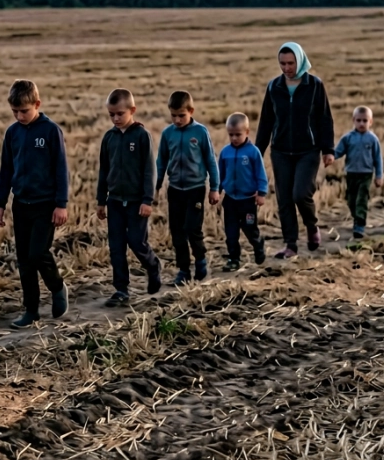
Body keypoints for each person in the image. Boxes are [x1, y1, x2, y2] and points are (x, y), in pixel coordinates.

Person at [0, 80, 70, 328]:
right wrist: (0, 202)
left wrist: (61, 204)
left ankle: (57, 287)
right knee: (24, 260)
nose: (19, 116)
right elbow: (6, 169)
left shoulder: (51, 131)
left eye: (24, 111)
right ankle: (31, 310)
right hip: (21, 205)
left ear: (37, 104)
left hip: (45, 205)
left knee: (38, 253)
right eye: (14, 111)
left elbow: (61, 170)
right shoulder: (12, 133)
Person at [256, 42, 335, 260]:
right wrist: (257, 152)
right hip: (280, 151)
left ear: (300, 61)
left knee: (300, 194)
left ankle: (311, 225)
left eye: (291, 63)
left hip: (308, 150)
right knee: (284, 199)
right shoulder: (274, 87)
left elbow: (325, 118)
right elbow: (266, 121)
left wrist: (328, 149)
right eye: (282, 63)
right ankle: (290, 244)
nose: (286, 68)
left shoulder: (314, 85)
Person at [96, 88, 162, 307]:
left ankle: (153, 265)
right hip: (114, 201)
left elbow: (149, 171)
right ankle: (121, 289)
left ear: (132, 110)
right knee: (116, 247)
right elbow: (104, 170)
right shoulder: (109, 138)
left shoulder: (141, 136)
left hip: (136, 202)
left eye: (120, 114)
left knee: (136, 242)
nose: (115, 118)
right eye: (111, 114)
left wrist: (147, 200)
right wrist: (101, 200)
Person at [156, 91, 220, 285]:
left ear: (191, 111)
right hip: (175, 189)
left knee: (192, 228)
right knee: (177, 232)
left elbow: (210, 160)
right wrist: (155, 187)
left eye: (181, 115)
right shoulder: (167, 134)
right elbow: (161, 162)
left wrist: (214, 187)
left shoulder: (200, 132)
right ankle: (183, 270)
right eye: (173, 115)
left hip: (196, 189)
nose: (177, 120)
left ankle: (200, 261)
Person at [217, 112, 268, 271]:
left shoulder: (253, 152)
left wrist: (261, 193)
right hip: (230, 200)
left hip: (248, 200)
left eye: (238, 134)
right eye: (231, 135)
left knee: (249, 229)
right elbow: (220, 173)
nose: (234, 138)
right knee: (231, 233)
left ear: (247, 132)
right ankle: (233, 259)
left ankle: (258, 245)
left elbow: (261, 174)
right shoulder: (225, 152)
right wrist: (216, 189)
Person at [334, 106, 384, 239]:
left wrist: (379, 176)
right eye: (359, 120)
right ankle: (356, 217)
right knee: (351, 201)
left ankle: (359, 226)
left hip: (366, 174)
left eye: (365, 121)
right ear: (353, 120)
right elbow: (338, 151)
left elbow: (378, 159)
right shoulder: (348, 138)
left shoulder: (373, 139)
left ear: (370, 122)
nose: (361, 123)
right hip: (351, 174)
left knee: (361, 199)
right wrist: (330, 157)